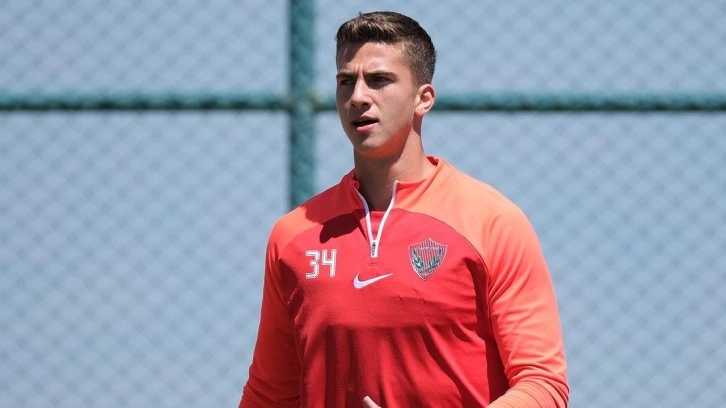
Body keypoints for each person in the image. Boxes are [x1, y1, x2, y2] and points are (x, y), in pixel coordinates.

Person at [240, 11, 568, 408]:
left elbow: (543, 385)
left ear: (423, 98)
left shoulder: (492, 222)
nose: (358, 97)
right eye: (346, 81)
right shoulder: (292, 235)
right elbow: (269, 396)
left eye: (379, 80)